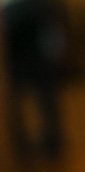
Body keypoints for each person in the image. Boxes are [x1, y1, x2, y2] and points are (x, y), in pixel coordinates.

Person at [1, 0, 66, 158]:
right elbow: (54, 36)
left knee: (20, 106)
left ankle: (23, 144)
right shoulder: (41, 7)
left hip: (20, 65)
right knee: (46, 103)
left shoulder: (10, 12)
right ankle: (52, 141)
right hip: (40, 63)